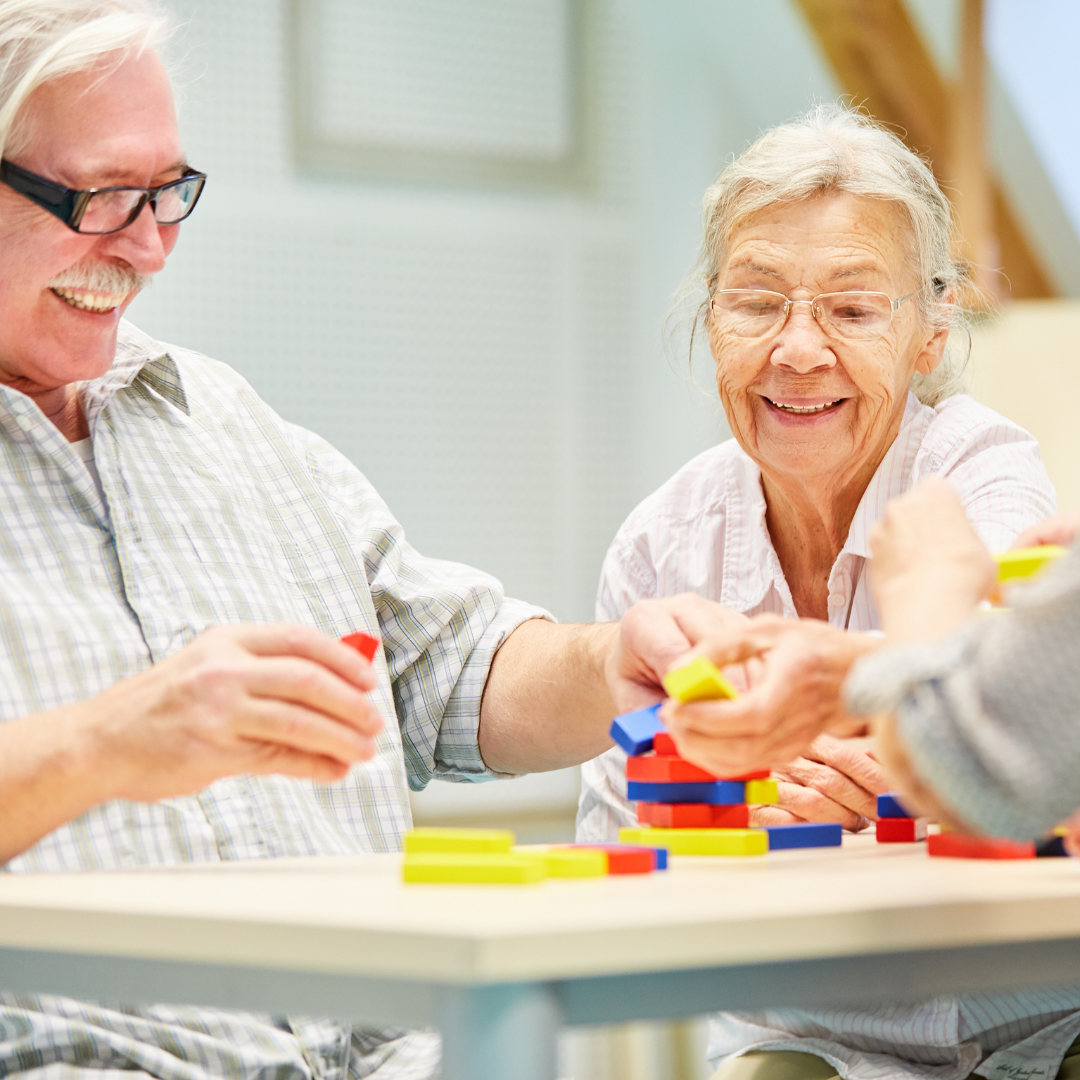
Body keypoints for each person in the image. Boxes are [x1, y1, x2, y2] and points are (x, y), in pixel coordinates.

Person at [0, 3, 723, 1078]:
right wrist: (104, 744)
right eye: (102, 196)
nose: (148, 247)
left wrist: (611, 664)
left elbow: (449, 667)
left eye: (168, 194)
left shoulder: (224, 421)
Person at [575, 105, 1080, 1080]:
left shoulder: (980, 476)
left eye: (853, 310)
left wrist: (918, 755)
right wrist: (722, 817)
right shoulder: (663, 543)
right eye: (757, 302)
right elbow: (617, 842)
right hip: (805, 1036)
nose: (797, 351)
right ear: (709, 315)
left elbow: (1009, 749)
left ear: (931, 333)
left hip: (1037, 1029)